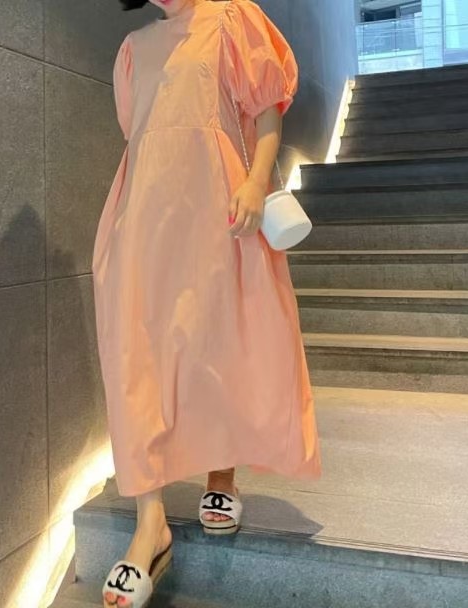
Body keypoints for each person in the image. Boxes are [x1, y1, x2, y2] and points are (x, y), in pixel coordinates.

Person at [92, 1, 322, 605]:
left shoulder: (231, 19)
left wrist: (255, 181)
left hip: (218, 207)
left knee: (218, 339)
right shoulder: (134, 49)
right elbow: (137, 134)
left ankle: (223, 473)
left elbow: (267, 114)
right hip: (143, 214)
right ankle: (150, 524)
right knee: (137, 357)